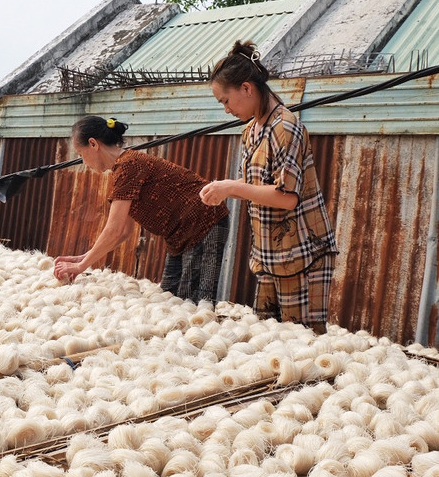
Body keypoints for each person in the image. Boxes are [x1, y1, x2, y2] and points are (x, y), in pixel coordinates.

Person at [199, 40, 338, 334]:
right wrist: (223, 188)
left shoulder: (286, 128)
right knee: (268, 338)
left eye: (226, 101)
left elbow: (286, 198)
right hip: (269, 255)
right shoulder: (251, 130)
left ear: (247, 88)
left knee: (301, 344)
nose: (226, 110)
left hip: (302, 254)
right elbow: (254, 185)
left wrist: (230, 188)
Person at [53, 115, 230, 304]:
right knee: (169, 299)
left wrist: (80, 266)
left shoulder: (129, 166)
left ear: (93, 144)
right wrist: (83, 257)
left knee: (192, 305)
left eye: (81, 154)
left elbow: (114, 230)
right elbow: (124, 232)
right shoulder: (123, 170)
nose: (83, 162)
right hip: (180, 235)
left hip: (204, 223)